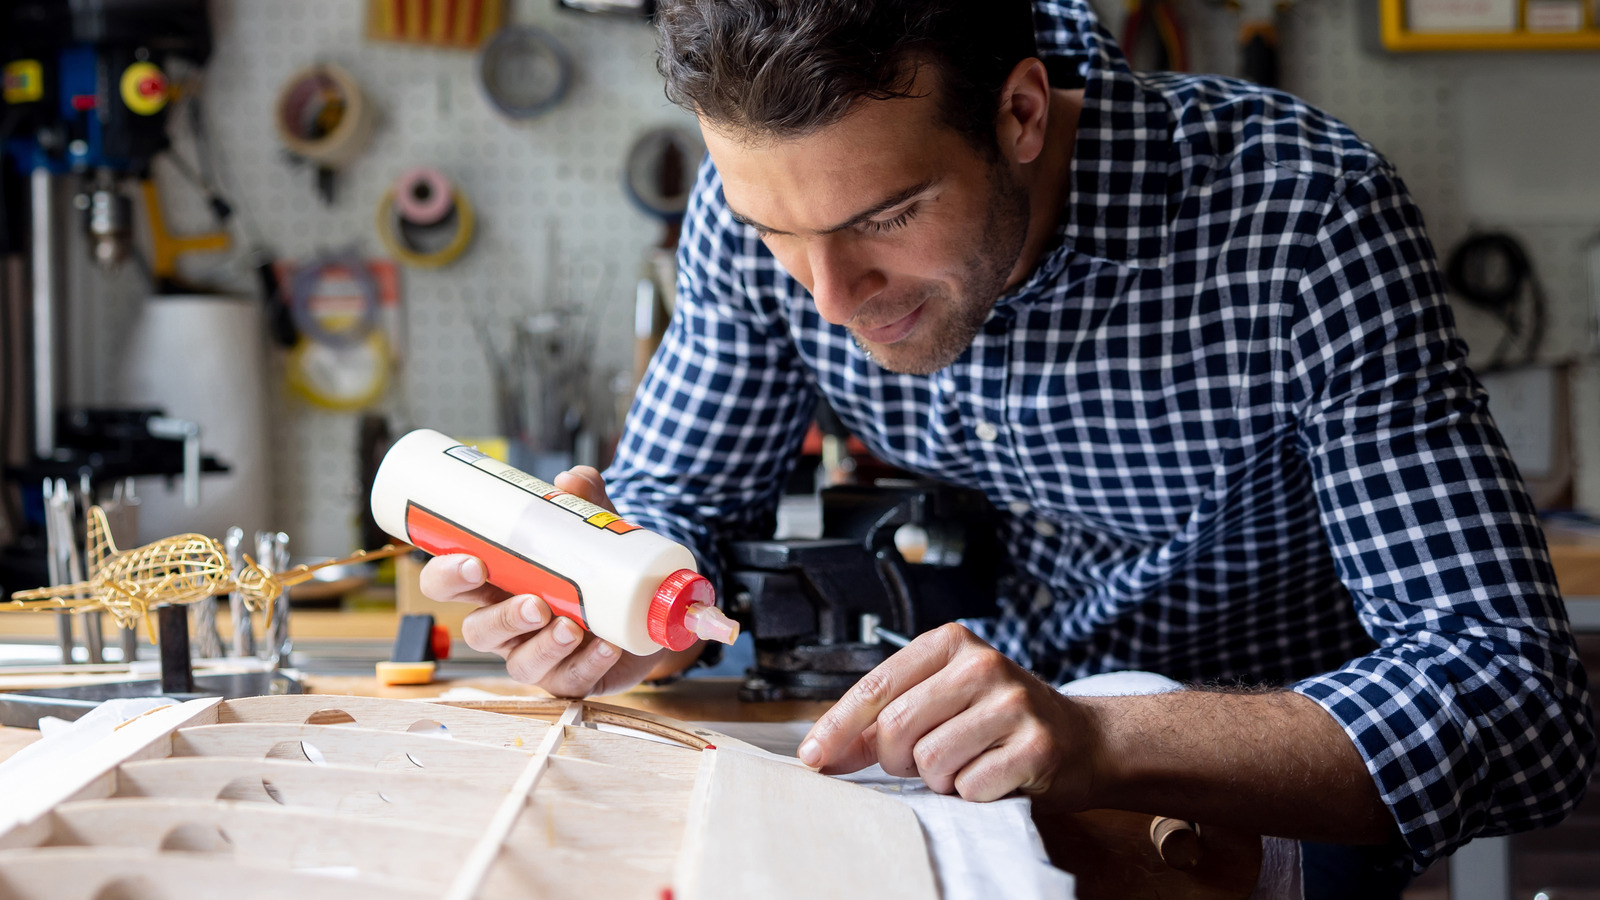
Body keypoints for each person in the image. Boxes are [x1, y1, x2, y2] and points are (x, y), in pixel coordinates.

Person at [421, 0, 1595, 893]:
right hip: (963, 797)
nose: (829, 296)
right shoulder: (759, 219)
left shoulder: (1299, 219)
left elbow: (1517, 705)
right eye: (780, 231)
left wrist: (1092, 733)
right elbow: (676, 506)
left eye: (881, 220)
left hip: (1258, 800)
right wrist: (610, 610)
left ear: (1021, 115)